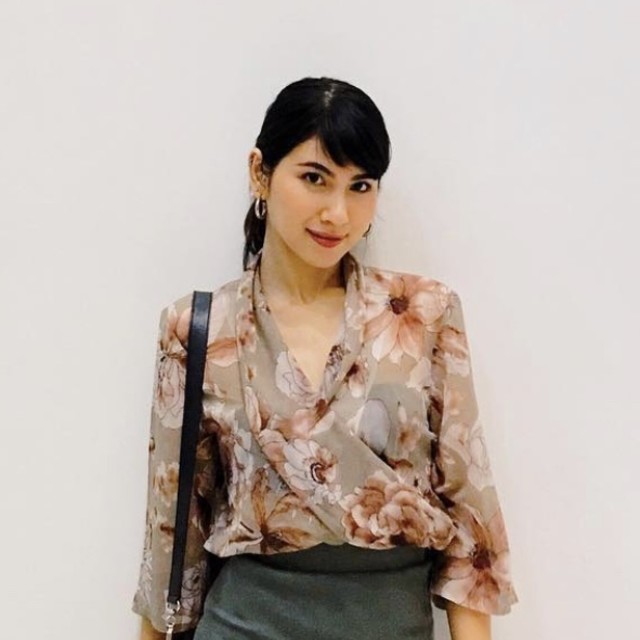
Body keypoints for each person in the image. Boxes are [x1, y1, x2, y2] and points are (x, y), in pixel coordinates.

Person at [132, 76, 518, 640]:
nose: (338, 213)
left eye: (360, 186)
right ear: (260, 172)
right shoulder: (199, 330)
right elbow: (171, 534)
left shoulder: (423, 313)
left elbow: (469, 518)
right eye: (315, 178)